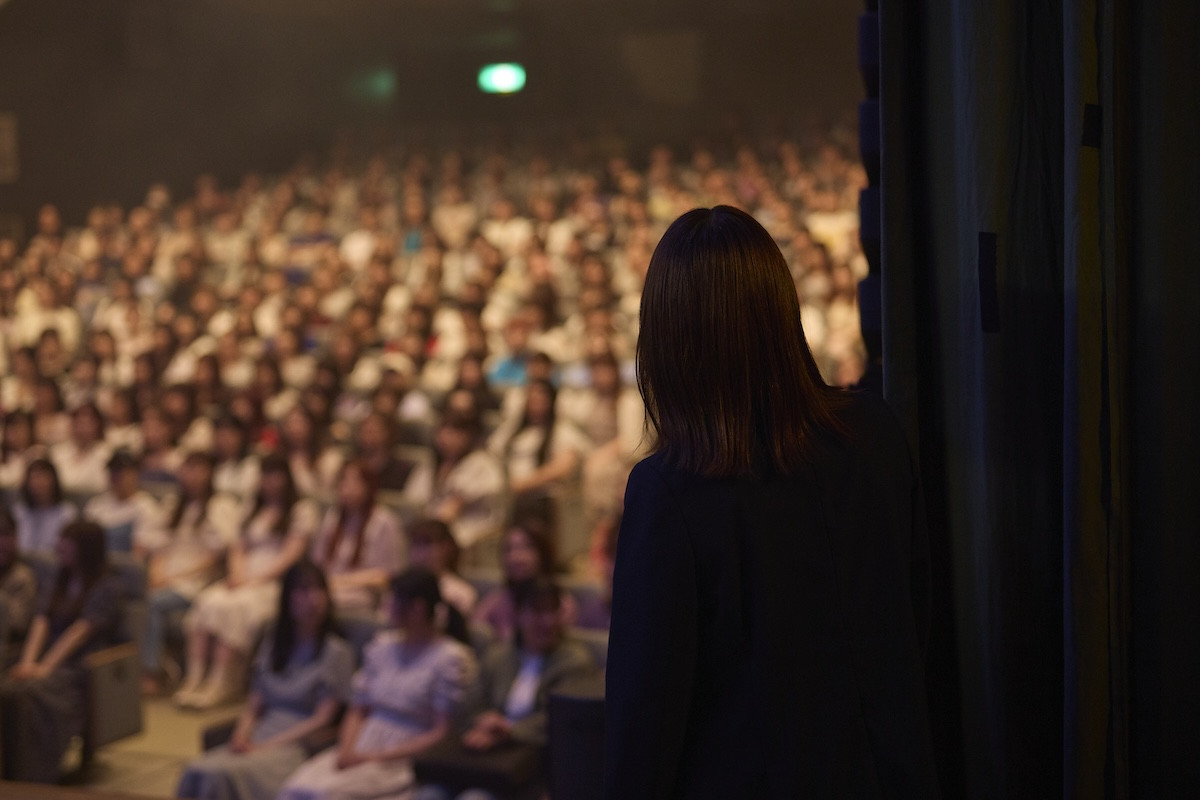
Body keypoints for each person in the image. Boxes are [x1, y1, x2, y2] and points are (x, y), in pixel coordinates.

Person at [604, 206, 938, 798]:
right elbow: (916, 618)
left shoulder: (670, 492)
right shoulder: (875, 430)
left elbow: (644, 723)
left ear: (668, 337)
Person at [278, 567, 479, 800]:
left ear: (417, 608)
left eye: (393, 602)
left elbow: (441, 732)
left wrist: (376, 756)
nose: (387, 610)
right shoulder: (382, 646)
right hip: (363, 742)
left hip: (405, 756)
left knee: (328, 795)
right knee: (294, 789)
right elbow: (358, 708)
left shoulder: (450, 658)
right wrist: (347, 749)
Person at [174, 559, 355, 800]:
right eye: (303, 590)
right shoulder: (273, 646)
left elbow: (323, 719)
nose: (313, 599)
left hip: (297, 745)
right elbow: (254, 705)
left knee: (221, 775)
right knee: (196, 770)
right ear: (287, 598)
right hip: (260, 734)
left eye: (319, 589)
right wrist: (241, 736)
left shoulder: (336, 652)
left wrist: (267, 747)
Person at [414, 578, 597, 800]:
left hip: (534, 764)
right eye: (538, 612)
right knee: (429, 793)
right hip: (484, 757)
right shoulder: (499, 655)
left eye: (553, 611)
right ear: (519, 614)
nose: (548, 621)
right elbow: (471, 703)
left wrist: (508, 730)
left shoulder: (574, 661)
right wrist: (482, 721)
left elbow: (561, 722)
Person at [176, 454, 319, 709]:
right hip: (243, 578)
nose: (270, 481)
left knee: (235, 608)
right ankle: (195, 678)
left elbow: (291, 556)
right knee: (209, 601)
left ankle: (221, 683)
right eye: (266, 475)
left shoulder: (302, 510)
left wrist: (255, 580)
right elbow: (237, 549)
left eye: (276, 475)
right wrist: (238, 575)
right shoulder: (252, 508)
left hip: (274, 582)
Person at [0, 520, 124, 782]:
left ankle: (32, 774)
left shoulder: (108, 587)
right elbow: (41, 622)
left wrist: (44, 669)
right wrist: (28, 663)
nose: (59, 548)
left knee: (28, 693)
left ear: (85, 550)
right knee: (9, 687)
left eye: (66, 545)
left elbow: (79, 633)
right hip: (46, 658)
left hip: (79, 667)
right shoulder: (59, 579)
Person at [140, 451, 241, 693]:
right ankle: (160, 666)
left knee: (151, 603)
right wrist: (156, 575)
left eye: (199, 469)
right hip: (169, 579)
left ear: (210, 474)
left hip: (197, 582)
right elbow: (159, 548)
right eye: (188, 469)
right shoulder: (175, 505)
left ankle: (150, 673)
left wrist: (174, 578)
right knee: (141, 597)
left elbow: (217, 556)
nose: (193, 476)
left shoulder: (221, 505)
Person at [309, 459, 404, 618]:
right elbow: (318, 562)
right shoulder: (333, 517)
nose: (347, 487)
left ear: (369, 486)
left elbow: (386, 575)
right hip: (329, 588)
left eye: (355, 481)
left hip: (362, 595)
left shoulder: (384, 521)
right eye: (343, 480)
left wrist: (339, 583)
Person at [472, 517, 576, 643]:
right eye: (509, 549)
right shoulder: (500, 599)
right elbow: (475, 631)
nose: (516, 557)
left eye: (526, 547)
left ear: (542, 554)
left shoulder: (560, 604)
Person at [11, 458, 76, 556]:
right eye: (35, 477)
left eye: (44, 477)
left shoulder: (66, 512)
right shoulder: (19, 511)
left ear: (54, 480)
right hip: (21, 561)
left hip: (54, 563)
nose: (39, 482)